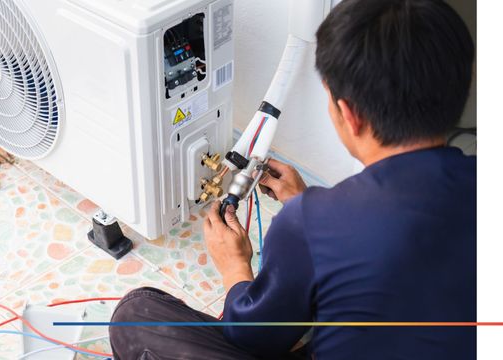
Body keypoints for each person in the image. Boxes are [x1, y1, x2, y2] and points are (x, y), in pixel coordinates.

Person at [109, 0, 476, 358]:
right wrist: (312, 206)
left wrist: (234, 266)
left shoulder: (309, 224)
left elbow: (257, 339)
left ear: (348, 115)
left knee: (134, 315)